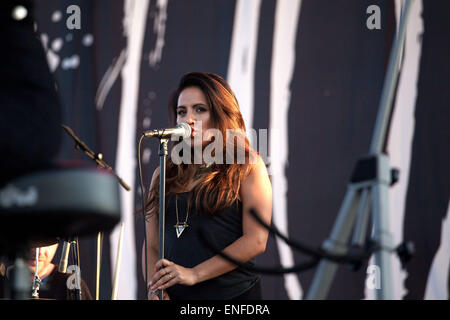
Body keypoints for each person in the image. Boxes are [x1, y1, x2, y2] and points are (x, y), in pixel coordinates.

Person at [142, 72, 273, 300]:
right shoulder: (163, 174)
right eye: (182, 111)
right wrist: (155, 288)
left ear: (220, 115)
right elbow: (152, 245)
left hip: (234, 297)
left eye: (200, 109)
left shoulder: (247, 165)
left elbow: (256, 240)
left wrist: (194, 274)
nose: (188, 119)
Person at [0, 243, 92, 300]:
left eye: (48, 243)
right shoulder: (2, 280)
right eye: (34, 241)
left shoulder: (70, 283)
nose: (39, 252)